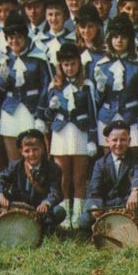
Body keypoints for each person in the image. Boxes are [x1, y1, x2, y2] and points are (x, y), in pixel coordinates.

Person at [45, 42, 97, 228]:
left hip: (80, 132)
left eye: (73, 64)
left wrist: (92, 139)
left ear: (79, 64)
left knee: (79, 177)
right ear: (60, 65)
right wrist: (51, 109)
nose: (69, 68)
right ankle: (65, 215)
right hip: (61, 133)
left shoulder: (87, 85)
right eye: (65, 64)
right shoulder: (54, 85)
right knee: (63, 177)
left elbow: (92, 114)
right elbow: (47, 114)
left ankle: (78, 214)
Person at [0, 10, 51, 164]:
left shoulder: (38, 57)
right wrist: (2, 78)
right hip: (10, 111)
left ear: (25, 37)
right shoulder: (4, 58)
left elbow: (46, 87)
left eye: (19, 37)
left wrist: (40, 114)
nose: (15, 41)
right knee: (13, 160)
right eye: (11, 38)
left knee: (33, 158)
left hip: (31, 111)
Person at [0, 128, 66, 232]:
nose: (31, 154)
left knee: (59, 211)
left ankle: (43, 228)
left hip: (40, 210)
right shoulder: (16, 166)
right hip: (18, 207)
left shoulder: (53, 169)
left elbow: (56, 192)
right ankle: (3, 226)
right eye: (27, 151)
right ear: (21, 152)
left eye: (35, 149)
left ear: (42, 149)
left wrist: (46, 203)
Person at [93, 13, 138, 151]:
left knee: (132, 161)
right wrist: (99, 89)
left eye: (123, 37)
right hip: (106, 118)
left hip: (131, 118)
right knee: (109, 162)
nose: (119, 41)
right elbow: (96, 101)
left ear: (130, 40)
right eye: (115, 37)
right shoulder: (102, 65)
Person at [80, 120, 138, 231]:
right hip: (107, 206)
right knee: (84, 221)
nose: (118, 144)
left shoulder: (137, 158)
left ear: (129, 141)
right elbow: (95, 192)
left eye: (123, 140)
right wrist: (95, 207)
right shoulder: (100, 163)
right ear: (107, 141)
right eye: (114, 140)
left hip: (129, 205)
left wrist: (135, 191)